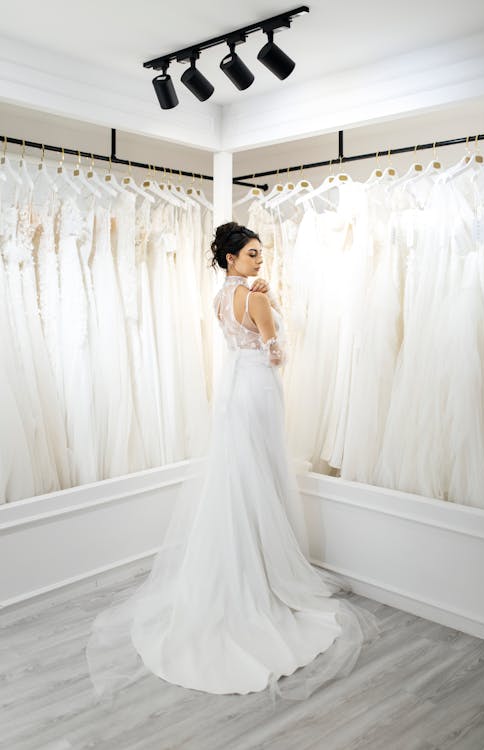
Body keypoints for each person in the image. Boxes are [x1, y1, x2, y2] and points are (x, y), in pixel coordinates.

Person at [85, 222, 381, 707]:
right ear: (230, 258)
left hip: (232, 392)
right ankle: (261, 574)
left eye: (261, 254)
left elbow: (236, 341)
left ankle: (240, 561)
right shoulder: (255, 296)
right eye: (251, 255)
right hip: (259, 389)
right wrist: (275, 305)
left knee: (237, 477)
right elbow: (277, 354)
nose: (259, 261)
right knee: (259, 473)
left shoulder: (221, 298)